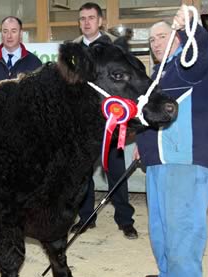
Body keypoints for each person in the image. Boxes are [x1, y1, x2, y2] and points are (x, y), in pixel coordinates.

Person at [134, 5, 208, 277]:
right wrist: (142, 144)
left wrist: (189, 25)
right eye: (152, 40)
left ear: (177, 39)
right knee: (161, 225)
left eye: (162, 36)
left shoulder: (188, 64)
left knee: (182, 225)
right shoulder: (159, 73)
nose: (156, 43)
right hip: (161, 160)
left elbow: (202, 51)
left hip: (186, 157)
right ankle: (170, 275)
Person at [72, 2, 137, 239]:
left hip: (112, 118)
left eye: (91, 17)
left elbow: (127, 80)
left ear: (100, 21)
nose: (86, 22)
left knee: (116, 170)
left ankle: (125, 219)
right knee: (83, 173)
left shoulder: (115, 46)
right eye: (82, 18)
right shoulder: (73, 50)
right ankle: (86, 217)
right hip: (83, 123)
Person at [0, 16, 42, 84]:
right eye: (5, 31)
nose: (9, 36)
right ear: (1, 34)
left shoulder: (35, 63)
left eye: (13, 31)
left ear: (21, 34)